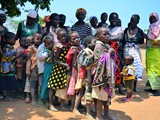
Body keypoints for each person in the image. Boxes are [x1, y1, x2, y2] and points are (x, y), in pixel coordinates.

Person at [91, 27, 116, 120]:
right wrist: (109, 53)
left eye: (108, 34)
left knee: (107, 96)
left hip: (107, 76)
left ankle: (106, 114)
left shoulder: (106, 45)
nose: (107, 36)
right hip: (101, 76)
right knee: (100, 97)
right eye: (104, 34)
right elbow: (99, 60)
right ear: (97, 37)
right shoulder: (98, 46)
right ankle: (98, 116)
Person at [48, 29, 69, 111]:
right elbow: (55, 60)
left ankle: (61, 104)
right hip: (58, 69)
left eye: (64, 35)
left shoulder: (67, 45)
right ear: (58, 37)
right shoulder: (59, 46)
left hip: (64, 69)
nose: (63, 37)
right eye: (61, 36)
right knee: (53, 86)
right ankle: (50, 104)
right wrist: (65, 65)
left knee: (63, 86)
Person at [123, 14, 145, 92]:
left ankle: (134, 87)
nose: (132, 22)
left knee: (135, 68)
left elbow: (142, 41)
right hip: (126, 50)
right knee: (126, 68)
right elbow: (123, 40)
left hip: (135, 51)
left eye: (134, 21)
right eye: (131, 20)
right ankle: (127, 87)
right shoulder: (126, 30)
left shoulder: (140, 31)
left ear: (137, 22)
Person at [66, 31, 83, 111]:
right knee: (75, 89)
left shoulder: (82, 47)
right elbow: (74, 64)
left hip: (81, 71)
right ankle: (73, 107)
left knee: (80, 89)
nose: (77, 39)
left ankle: (78, 105)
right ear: (70, 42)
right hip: (75, 72)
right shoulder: (73, 50)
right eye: (74, 39)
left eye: (78, 37)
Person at [108, 12, 125, 95]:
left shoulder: (119, 28)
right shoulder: (107, 28)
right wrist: (112, 39)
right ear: (109, 19)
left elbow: (120, 37)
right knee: (108, 68)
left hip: (116, 51)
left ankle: (119, 87)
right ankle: (109, 89)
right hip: (108, 51)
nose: (114, 20)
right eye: (112, 19)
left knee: (117, 69)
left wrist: (109, 38)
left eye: (115, 18)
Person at [0, 32, 18, 101]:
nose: (15, 41)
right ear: (8, 39)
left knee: (8, 81)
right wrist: (17, 56)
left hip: (8, 66)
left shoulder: (9, 47)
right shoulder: (6, 48)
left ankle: (8, 96)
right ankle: (7, 96)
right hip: (7, 67)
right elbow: (8, 57)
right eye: (14, 39)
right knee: (8, 82)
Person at [145, 12, 160, 96]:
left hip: (156, 52)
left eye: (154, 18)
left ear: (157, 19)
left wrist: (153, 41)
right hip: (149, 51)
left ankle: (157, 90)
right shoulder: (150, 27)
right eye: (151, 18)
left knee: (155, 70)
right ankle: (153, 87)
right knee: (150, 69)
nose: (152, 20)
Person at [40, 33, 54, 107]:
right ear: (45, 45)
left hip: (53, 68)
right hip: (48, 68)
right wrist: (52, 52)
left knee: (51, 84)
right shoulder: (46, 52)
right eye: (48, 44)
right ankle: (44, 98)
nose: (51, 45)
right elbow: (50, 60)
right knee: (46, 82)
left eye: (52, 43)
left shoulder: (54, 50)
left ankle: (50, 99)